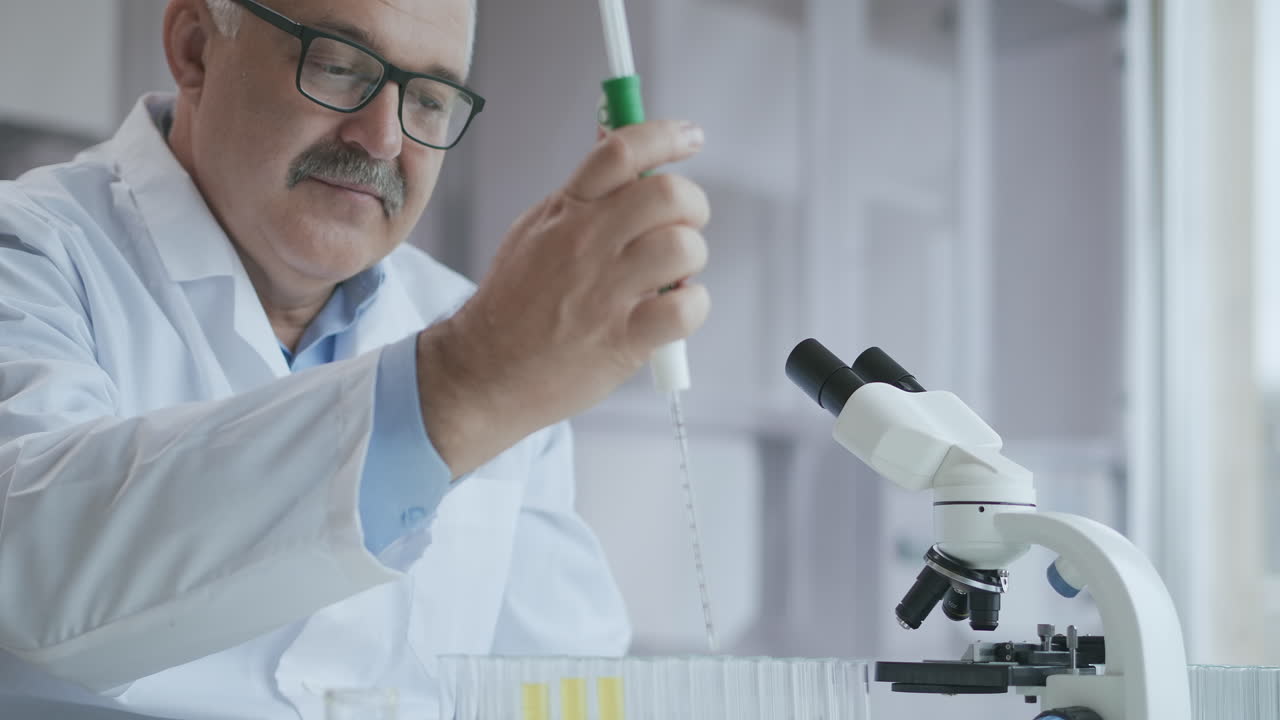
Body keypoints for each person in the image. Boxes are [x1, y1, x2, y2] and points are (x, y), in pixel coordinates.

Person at [0, 0, 710, 717]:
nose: (381, 139)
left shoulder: (475, 329)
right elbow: (30, 573)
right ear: (195, 49)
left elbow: (565, 683)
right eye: (338, 67)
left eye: (429, 101)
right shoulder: (29, 253)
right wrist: (460, 388)